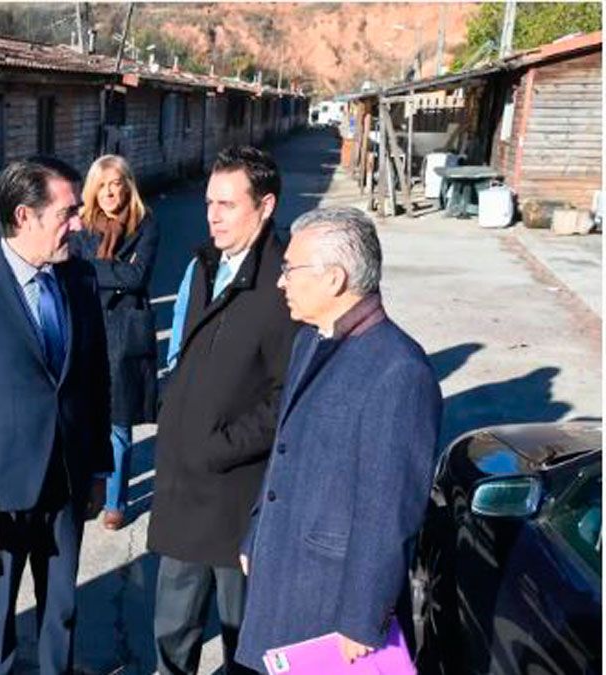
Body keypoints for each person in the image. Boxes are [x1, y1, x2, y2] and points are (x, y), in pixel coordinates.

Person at [235, 207, 442, 670]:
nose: (280, 281)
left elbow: (388, 509)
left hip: (329, 600)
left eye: (290, 269)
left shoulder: (399, 372)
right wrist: (255, 533)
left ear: (334, 279)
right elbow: (283, 451)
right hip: (281, 563)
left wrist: (361, 618)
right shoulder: (310, 340)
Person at [0, 157, 112, 675]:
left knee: (62, 611)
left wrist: (99, 466)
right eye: (67, 212)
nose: (79, 224)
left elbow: (94, 378)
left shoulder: (79, 277)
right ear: (23, 216)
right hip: (0, 489)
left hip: (67, 479)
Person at [148, 146, 298, 675]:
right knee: (172, 631)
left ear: (265, 206)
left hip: (240, 497)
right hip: (184, 490)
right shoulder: (205, 265)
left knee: (244, 641)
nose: (212, 214)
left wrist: (219, 446)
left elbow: (288, 395)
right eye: (210, 201)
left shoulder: (285, 284)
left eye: (227, 204)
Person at [67, 155, 158, 531]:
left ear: (127, 185)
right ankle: (88, 484)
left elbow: (137, 277)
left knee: (118, 422)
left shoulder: (146, 222)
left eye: (115, 184)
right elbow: (69, 268)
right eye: (102, 185)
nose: (109, 192)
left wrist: (93, 270)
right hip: (86, 327)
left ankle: (115, 500)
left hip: (124, 331)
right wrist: (113, 272)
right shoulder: (81, 224)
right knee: (85, 414)